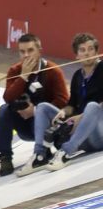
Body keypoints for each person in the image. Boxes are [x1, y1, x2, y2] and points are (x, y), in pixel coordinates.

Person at [0, 33, 69, 175]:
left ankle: (44, 151)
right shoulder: (15, 71)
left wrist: (35, 111)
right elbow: (8, 98)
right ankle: (5, 157)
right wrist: (23, 76)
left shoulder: (52, 70)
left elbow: (63, 100)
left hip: (46, 124)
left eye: (30, 50)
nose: (26, 55)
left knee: (42, 110)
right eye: (22, 52)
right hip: (24, 125)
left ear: (39, 51)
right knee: (4, 110)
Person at [29, 32, 103, 170]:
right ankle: (39, 155)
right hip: (81, 137)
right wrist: (64, 112)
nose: (87, 53)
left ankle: (66, 153)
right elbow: (72, 105)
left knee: (92, 106)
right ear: (77, 55)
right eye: (82, 50)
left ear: (96, 52)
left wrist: (81, 117)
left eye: (91, 49)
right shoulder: (77, 76)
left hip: (99, 134)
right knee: (43, 107)